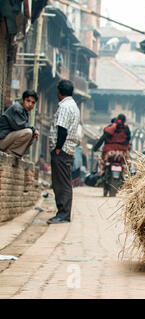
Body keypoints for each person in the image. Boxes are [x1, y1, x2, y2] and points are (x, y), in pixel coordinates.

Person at [47, 80, 80, 224]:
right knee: (65, 182)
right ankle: (63, 213)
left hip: (62, 150)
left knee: (60, 183)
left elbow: (62, 129)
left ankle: (63, 214)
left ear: (59, 92)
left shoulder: (65, 107)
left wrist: (58, 148)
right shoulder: (73, 106)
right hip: (68, 149)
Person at [0, 90, 40, 158]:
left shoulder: (25, 111)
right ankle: (10, 152)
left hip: (7, 140)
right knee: (28, 132)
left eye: (33, 102)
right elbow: (20, 126)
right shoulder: (17, 108)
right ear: (23, 100)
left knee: (32, 134)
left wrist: (33, 130)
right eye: (28, 101)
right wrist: (33, 129)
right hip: (2, 140)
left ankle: (16, 154)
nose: (30, 104)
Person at [93, 113, 130, 178]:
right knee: (127, 164)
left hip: (110, 153)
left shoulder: (111, 127)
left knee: (101, 160)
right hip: (123, 153)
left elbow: (102, 139)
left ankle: (100, 174)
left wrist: (95, 148)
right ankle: (126, 175)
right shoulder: (126, 128)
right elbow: (128, 139)